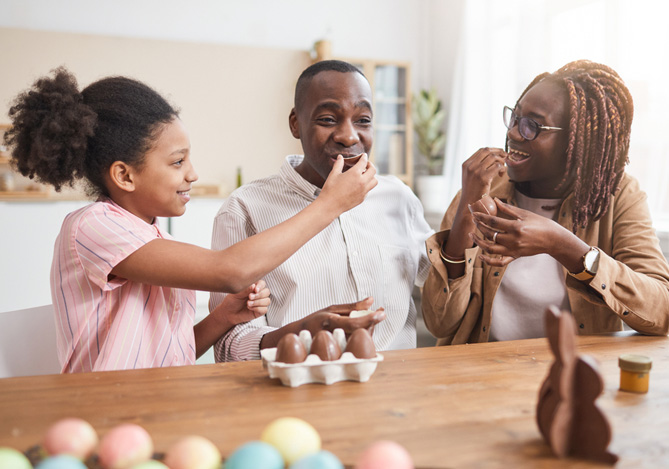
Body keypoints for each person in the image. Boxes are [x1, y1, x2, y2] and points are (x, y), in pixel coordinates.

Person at [4, 67, 377, 372]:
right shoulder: (91, 226)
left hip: (158, 408)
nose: (192, 174)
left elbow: (169, 354)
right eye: (177, 162)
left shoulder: (152, 238)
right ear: (124, 176)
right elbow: (230, 270)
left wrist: (223, 317)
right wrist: (330, 204)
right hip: (106, 413)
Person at [422, 60, 669, 345]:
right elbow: (439, 323)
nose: (514, 133)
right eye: (515, 118)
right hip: (483, 379)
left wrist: (562, 245)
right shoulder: (484, 187)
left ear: (577, 142)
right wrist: (468, 204)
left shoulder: (617, 195)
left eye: (533, 126)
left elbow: (661, 311)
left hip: (571, 380)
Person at [210, 60, 433, 361]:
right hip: (294, 396)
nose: (349, 136)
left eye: (363, 120)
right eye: (328, 119)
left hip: (396, 395)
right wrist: (300, 333)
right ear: (295, 123)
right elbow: (229, 347)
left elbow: (440, 288)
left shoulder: (398, 198)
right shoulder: (244, 210)